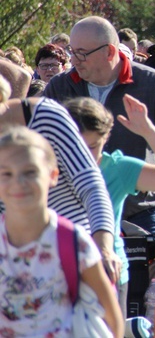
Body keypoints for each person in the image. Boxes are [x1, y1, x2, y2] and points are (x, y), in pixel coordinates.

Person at [43, 16, 155, 234]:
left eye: (82, 53)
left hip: (140, 208)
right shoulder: (60, 86)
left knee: (154, 265)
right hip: (77, 209)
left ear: (109, 52)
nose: (74, 60)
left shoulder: (149, 81)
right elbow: (37, 139)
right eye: (72, 52)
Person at [64, 95, 155, 323]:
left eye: (92, 146)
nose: (84, 155)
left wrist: (148, 131)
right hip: (59, 272)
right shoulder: (45, 166)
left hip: (107, 272)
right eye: (76, 146)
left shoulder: (117, 168)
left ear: (106, 138)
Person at [0, 126, 123, 337]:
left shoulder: (72, 241)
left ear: (53, 175)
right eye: (6, 173)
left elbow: (112, 318)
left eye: (30, 172)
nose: (18, 183)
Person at [0, 70, 118, 283]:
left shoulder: (46, 115)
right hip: (13, 279)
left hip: (72, 261)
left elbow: (91, 185)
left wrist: (103, 249)